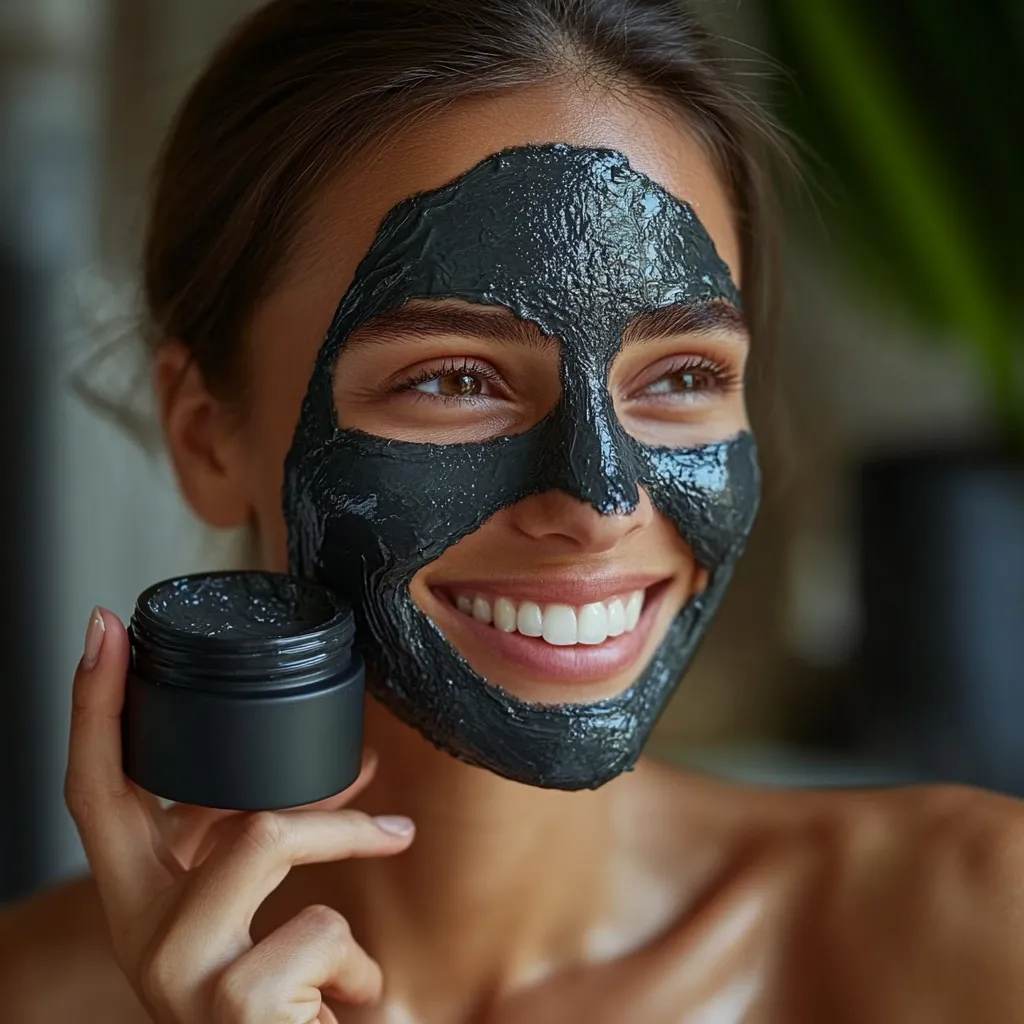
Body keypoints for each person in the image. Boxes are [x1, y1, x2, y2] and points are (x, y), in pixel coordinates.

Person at [2, 1, 1023, 1021]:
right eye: (452, 379)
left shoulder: (977, 920)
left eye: (678, 374)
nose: (601, 501)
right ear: (203, 436)